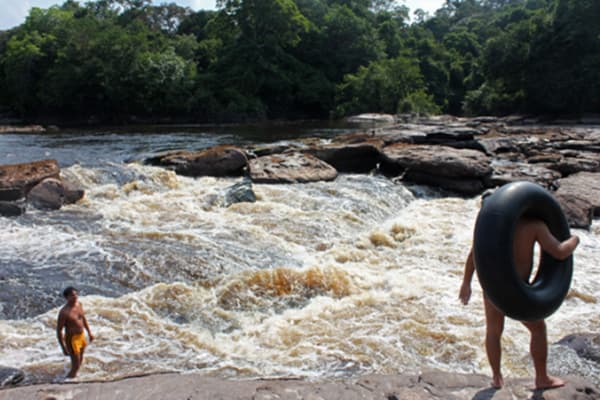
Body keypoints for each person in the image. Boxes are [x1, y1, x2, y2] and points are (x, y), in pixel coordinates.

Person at [459, 207, 580, 390]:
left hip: (492, 287)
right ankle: (542, 378)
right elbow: (559, 252)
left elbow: (474, 254)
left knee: (493, 330)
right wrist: (575, 240)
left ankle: (496, 378)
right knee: (538, 329)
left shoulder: (492, 226)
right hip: (517, 291)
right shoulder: (534, 225)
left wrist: (466, 283)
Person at [56, 287, 94, 378]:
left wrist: (89, 333)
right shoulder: (64, 313)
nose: (75, 297)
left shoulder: (79, 304)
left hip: (81, 336)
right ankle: (68, 380)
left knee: (80, 360)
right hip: (72, 340)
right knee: (76, 365)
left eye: (76, 294)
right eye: (72, 295)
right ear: (67, 297)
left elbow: (83, 319)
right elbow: (59, 331)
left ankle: (74, 376)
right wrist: (63, 347)